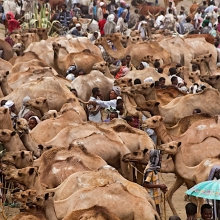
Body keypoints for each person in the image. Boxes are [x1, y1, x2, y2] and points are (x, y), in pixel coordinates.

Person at [143, 150, 167, 215]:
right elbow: (145, 184)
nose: (161, 160)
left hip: (155, 195)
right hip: (151, 196)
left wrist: (161, 187)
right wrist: (159, 186)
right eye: (160, 159)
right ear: (155, 159)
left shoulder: (154, 169)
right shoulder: (150, 171)